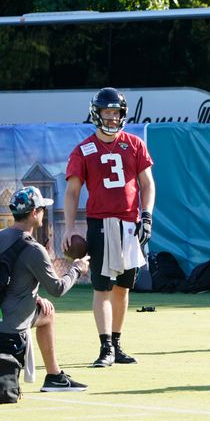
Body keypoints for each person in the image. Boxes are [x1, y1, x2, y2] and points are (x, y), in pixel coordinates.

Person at [61, 87, 155, 368]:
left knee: (124, 288)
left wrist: (147, 216)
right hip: (101, 223)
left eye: (116, 113)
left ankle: (116, 343)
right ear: (97, 114)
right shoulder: (84, 149)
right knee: (102, 288)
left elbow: (147, 183)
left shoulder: (134, 144)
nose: (112, 118)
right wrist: (67, 228)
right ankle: (105, 348)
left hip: (129, 223)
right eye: (107, 112)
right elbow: (72, 192)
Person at [0, 186, 90, 392]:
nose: (43, 213)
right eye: (41, 209)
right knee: (49, 311)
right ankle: (54, 377)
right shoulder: (34, 249)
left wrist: (34, 295)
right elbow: (57, 289)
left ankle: (55, 375)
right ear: (34, 213)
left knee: (46, 313)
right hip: (11, 329)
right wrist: (76, 268)